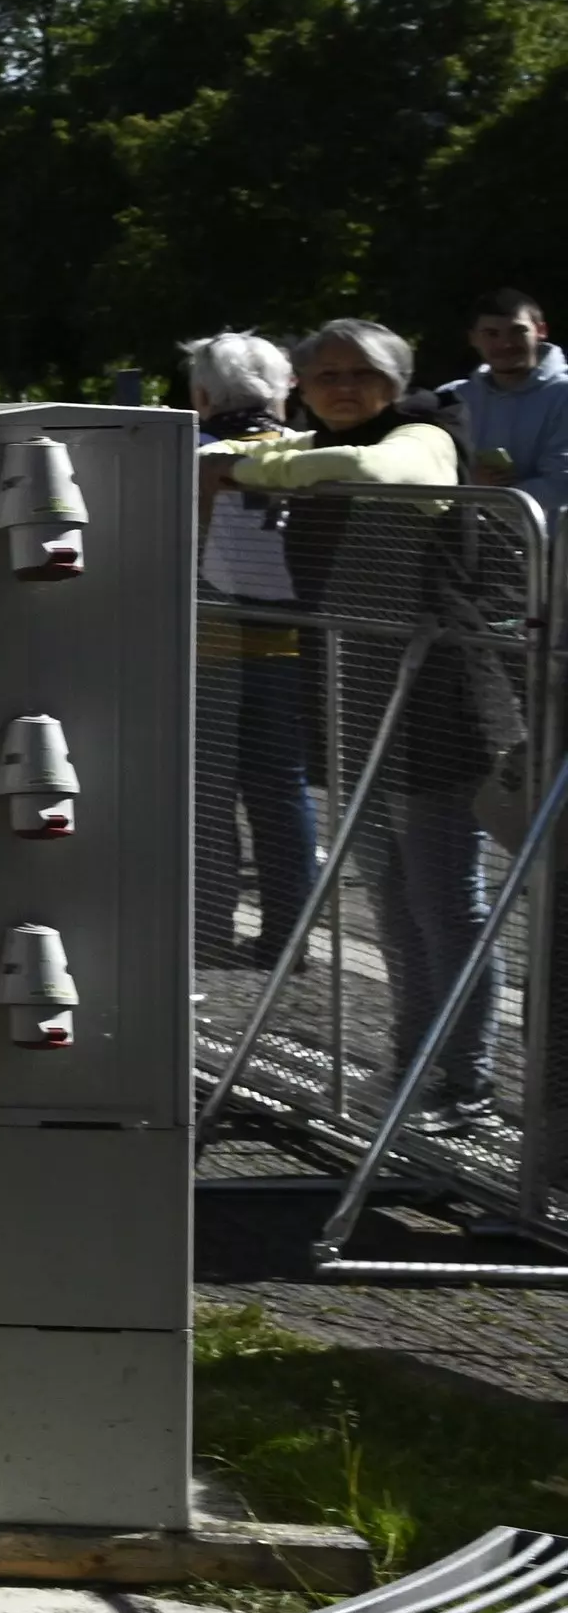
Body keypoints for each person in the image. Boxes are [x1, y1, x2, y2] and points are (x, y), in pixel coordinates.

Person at [227, 318, 502, 1116]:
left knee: (445, 900)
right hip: (353, 706)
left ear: (395, 378)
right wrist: (266, 462)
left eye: (362, 373)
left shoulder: (423, 432)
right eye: (326, 376)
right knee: (389, 896)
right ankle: (414, 1064)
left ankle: (468, 1079)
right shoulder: (309, 445)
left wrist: (257, 464)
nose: (344, 387)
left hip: (434, 710)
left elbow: (367, 470)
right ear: (301, 388)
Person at [187, 330, 319, 967]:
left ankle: (206, 928)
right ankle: (288, 934)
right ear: (284, 388)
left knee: (206, 795)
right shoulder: (308, 449)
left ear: (203, 394)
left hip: (204, 647)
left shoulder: (188, 452)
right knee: (281, 794)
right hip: (290, 647)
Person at [435, 288, 568, 510]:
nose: (505, 344)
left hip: (548, 542)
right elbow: (427, 472)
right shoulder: (451, 397)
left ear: (541, 331)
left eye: (518, 331)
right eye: (491, 334)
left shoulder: (563, 394)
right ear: (473, 339)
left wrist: (479, 494)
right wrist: (468, 481)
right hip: (460, 540)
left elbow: (561, 485)